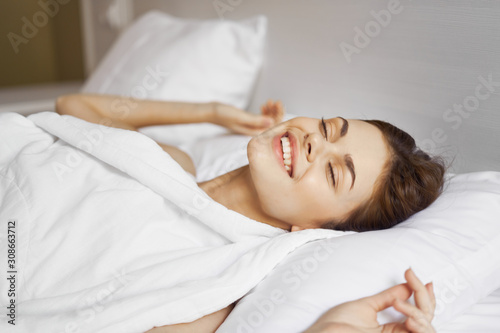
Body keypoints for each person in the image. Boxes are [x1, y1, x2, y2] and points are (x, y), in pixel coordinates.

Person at [55, 94, 445, 332]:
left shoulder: (214, 288)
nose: (313, 142)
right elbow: (72, 108)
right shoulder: (174, 163)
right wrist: (211, 112)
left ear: (313, 229)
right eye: (327, 128)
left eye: (333, 172)